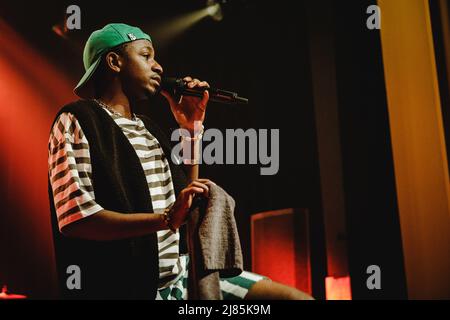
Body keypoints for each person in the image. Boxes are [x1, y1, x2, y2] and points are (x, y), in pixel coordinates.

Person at [47, 23, 313, 300]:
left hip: (182, 276)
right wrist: (165, 219)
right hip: (130, 287)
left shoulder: (148, 128)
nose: (159, 66)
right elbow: (76, 219)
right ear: (114, 61)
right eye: (146, 55)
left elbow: (186, 202)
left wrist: (191, 130)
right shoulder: (78, 120)